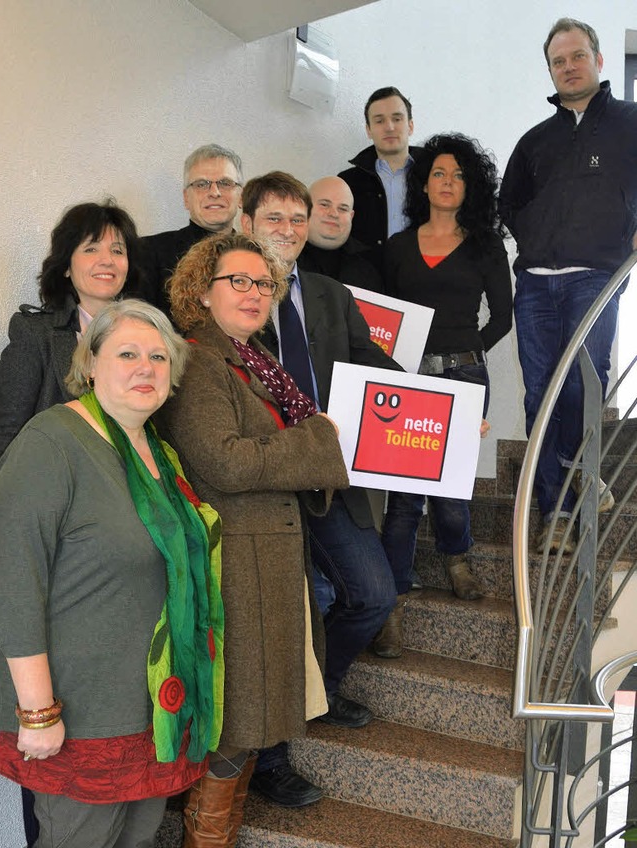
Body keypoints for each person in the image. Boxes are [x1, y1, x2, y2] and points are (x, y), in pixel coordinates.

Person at [0, 299, 224, 848]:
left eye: (158, 357)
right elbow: (12, 581)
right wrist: (38, 710)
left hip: (155, 709)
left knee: (140, 840)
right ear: (90, 363)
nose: (145, 367)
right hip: (80, 713)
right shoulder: (51, 442)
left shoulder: (160, 455)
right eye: (127, 353)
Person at [155, 232, 349, 844]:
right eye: (236, 281)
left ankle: (218, 830)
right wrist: (319, 438)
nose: (253, 292)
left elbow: (257, 459)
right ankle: (205, 836)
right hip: (234, 566)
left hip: (266, 557)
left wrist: (312, 445)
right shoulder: (198, 361)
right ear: (201, 293)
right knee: (235, 722)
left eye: (263, 283)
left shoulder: (255, 357)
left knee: (250, 719)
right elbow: (226, 463)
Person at [240, 171, 398, 805]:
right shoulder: (233, 292)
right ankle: (269, 759)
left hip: (328, 476)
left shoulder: (332, 293)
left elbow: (373, 363)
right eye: (273, 218)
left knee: (373, 595)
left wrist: (443, 408)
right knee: (277, 618)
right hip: (262, 482)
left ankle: (318, 693)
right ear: (247, 223)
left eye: (297, 219)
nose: (287, 230)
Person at [499, 17, 637, 554]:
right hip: (535, 283)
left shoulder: (629, 122)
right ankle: (555, 508)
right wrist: (534, 236)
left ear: (599, 62)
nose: (569, 67)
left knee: (581, 384)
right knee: (540, 394)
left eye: (577, 56)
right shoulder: (535, 140)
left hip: (594, 277)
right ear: (551, 72)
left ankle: (580, 469)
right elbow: (508, 202)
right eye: (559, 61)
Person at [378, 133, 513, 656]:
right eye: (438, 173)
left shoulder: (485, 246)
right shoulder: (395, 248)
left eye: (458, 175)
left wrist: (466, 351)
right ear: (424, 182)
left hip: (463, 378)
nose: (448, 182)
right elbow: (385, 321)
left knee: (452, 484)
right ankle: (389, 602)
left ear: (470, 185)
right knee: (404, 495)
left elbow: (502, 317)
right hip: (407, 381)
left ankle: (458, 561)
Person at [0, 199, 143, 461]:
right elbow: (6, 436)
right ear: (66, 266)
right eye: (91, 249)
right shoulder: (34, 333)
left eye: (118, 251)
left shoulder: (146, 335)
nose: (107, 260)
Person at [139, 144, 243, 315]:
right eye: (202, 184)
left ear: (241, 196)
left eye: (225, 183)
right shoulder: (149, 252)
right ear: (186, 198)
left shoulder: (255, 256)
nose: (215, 192)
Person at [339, 86, 423, 275]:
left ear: (410, 125)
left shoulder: (434, 175)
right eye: (379, 121)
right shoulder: (347, 183)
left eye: (397, 118)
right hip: (369, 284)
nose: (389, 127)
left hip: (423, 282)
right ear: (369, 130)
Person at [298, 176, 383, 292]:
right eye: (324, 204)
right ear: (305, 208)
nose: (334, 214)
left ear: (351, 216)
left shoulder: (369, 267)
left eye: (343, 209)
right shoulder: (282, 258)